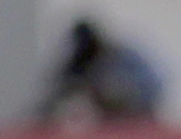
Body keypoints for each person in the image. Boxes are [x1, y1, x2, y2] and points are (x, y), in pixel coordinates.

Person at [26, 16, 168, 129]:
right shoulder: (83, 59)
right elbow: (60, 85)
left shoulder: (123, 56)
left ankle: (133, 125)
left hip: (140, 107)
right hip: (111, 116)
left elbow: (153, 85)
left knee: (109, 87)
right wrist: (41, 115)